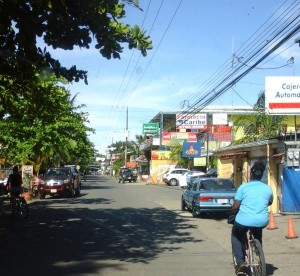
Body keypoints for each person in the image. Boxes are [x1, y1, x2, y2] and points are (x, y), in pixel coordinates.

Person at [230, 160, 273, 275]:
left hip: (243, 220)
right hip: (262, 221)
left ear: (251, 174)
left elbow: (235, 207)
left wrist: (232, 213)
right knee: (257, 230)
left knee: (236, 235)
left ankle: (240, 263)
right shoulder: (268, 189)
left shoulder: (243, 188)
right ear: (261, 175)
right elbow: (269, 202)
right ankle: (258, 251)